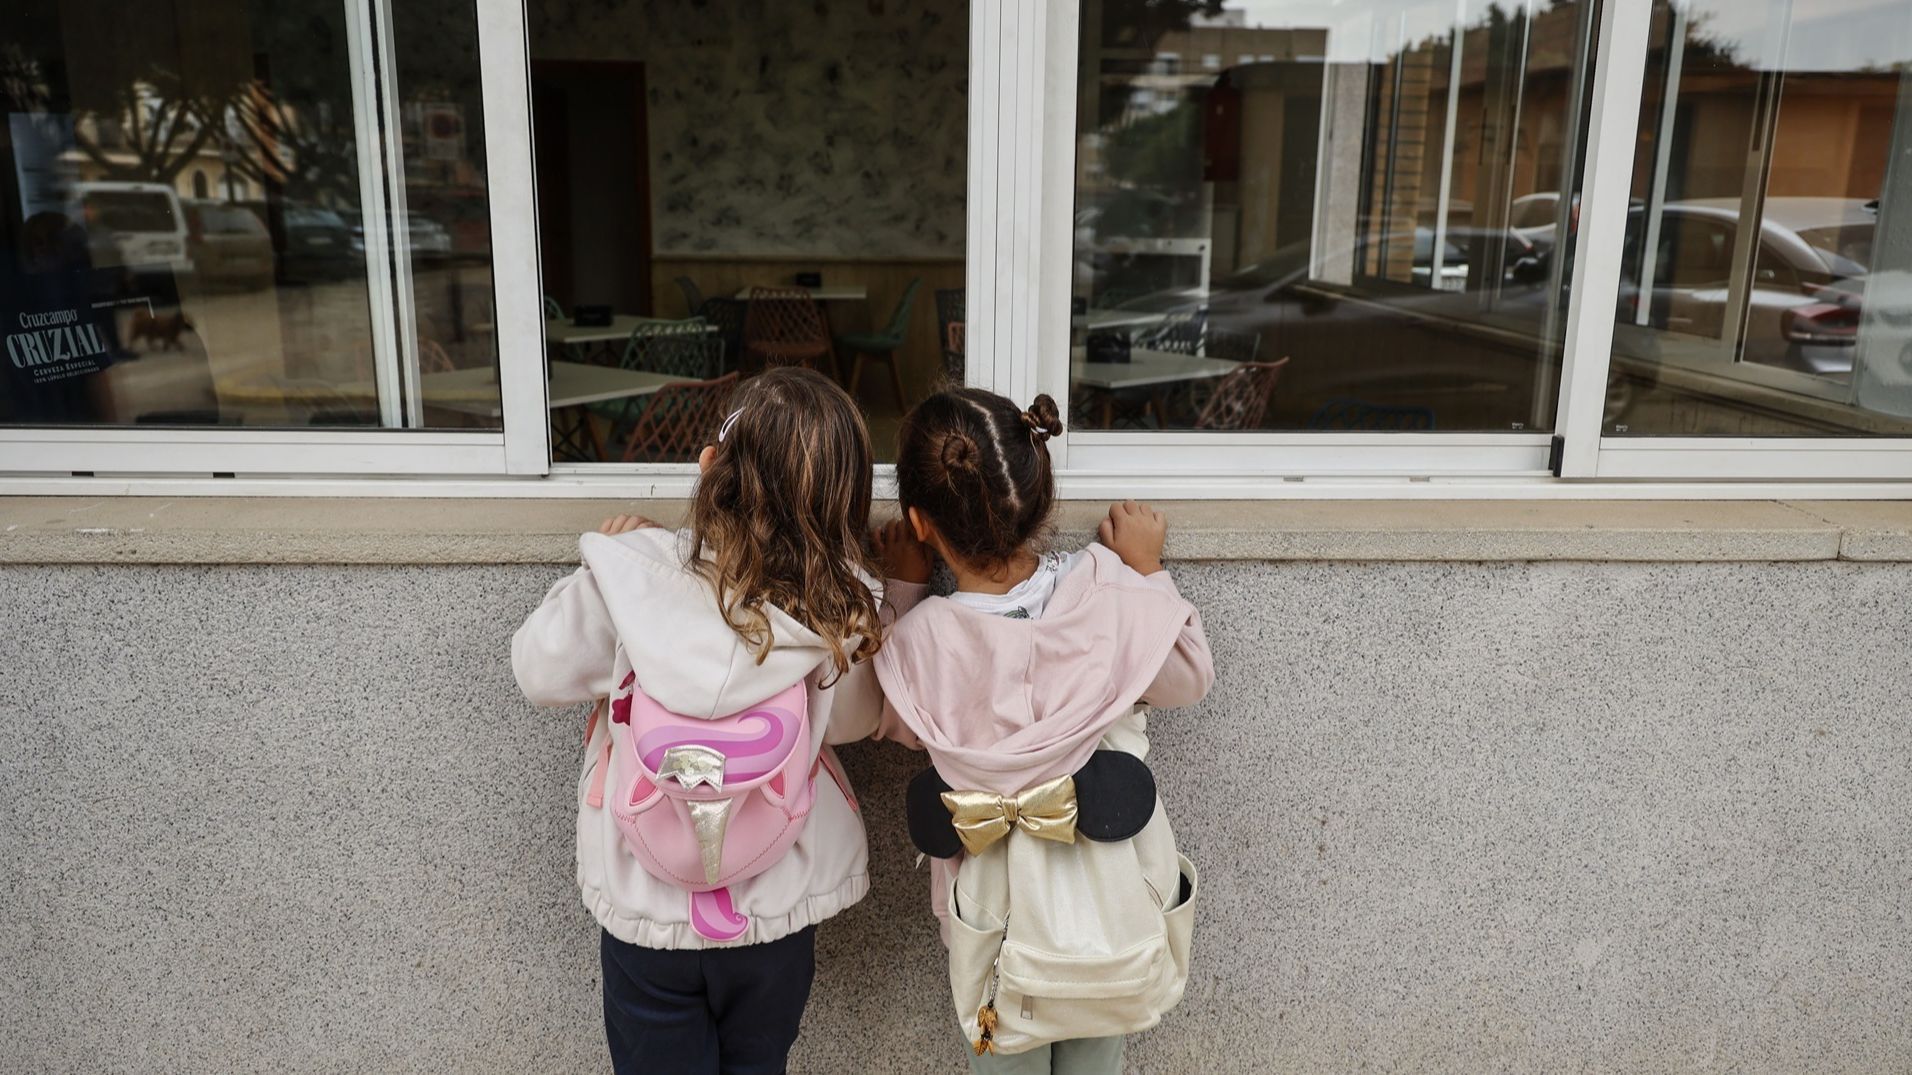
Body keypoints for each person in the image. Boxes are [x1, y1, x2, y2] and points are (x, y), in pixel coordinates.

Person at [512, 367, 913, 1075]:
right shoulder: (837, 608)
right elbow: (855, 721)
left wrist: (600, 568)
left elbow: (538, 669)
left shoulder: (631, 577)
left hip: (648, 914)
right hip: (773, 914)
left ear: (708, 468)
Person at [870, 388, 1214, 1074]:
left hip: (995, 932)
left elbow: (878, 712)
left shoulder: (921, 642)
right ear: (1040, 494)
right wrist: (1145, 572)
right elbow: (1189, 676)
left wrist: (899, 591)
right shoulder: (1102, 593)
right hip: (1112, 915)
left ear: (919, 523)